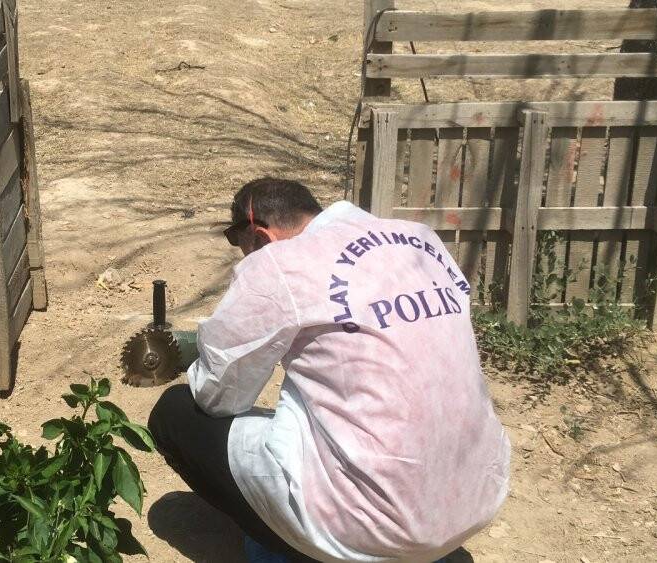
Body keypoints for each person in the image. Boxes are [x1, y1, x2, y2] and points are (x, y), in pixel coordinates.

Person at [148, 178, 510, 562]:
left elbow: (220, 396)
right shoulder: (421, 240)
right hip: (475, 496)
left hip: (371, 525)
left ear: (260, 237)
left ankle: (297, 546)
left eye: (246, 252)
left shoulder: (278, 263)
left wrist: (207, 357)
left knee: (175, 413)